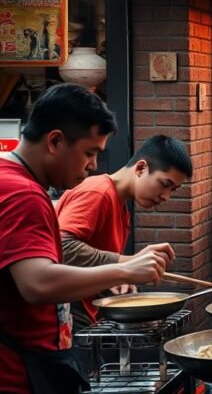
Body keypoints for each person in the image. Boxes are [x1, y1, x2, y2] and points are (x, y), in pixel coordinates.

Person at [0, 84, 168, 393]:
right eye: (89, 153)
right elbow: (37, 283)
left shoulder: (14, 182)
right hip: (18, 376)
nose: (92, 165)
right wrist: (125, 268)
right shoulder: (22, 193)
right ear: (55, 141)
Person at [56, 135, 192, 330]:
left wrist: (117, 280)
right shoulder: (98, 193)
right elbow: (60, 246)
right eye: (165, 184)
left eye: (173, 190)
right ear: (140, 168)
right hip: (65, 318)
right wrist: (127, 264)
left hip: (84, 317)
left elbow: (90, 265)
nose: (166, 196)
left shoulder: (119, 205)